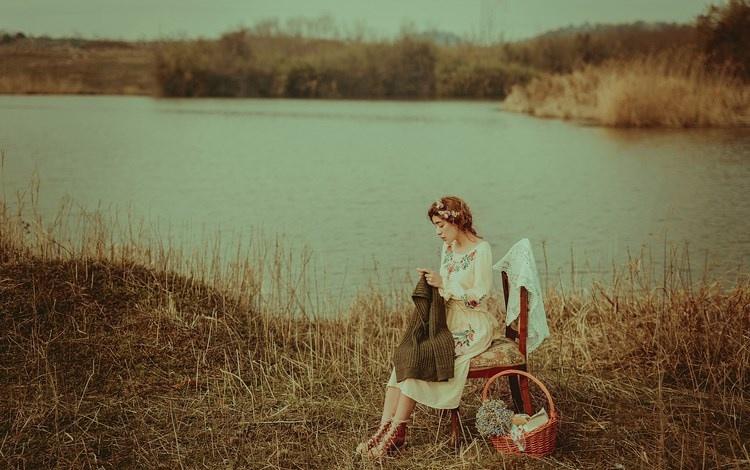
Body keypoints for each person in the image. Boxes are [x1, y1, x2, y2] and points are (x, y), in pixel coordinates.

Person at [356, 195, 503, 459]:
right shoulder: (448, 249)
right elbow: (443, 288)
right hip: (446, 317)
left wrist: (444, 285)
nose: (438, 232)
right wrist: (433, 285)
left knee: (425, 356)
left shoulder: (481, 249)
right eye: (435, 226)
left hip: (473, 324)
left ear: (456, 220)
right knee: (406, 356)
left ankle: (397, 432)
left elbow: (480, 294)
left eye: (440, 225)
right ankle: (385, 428)